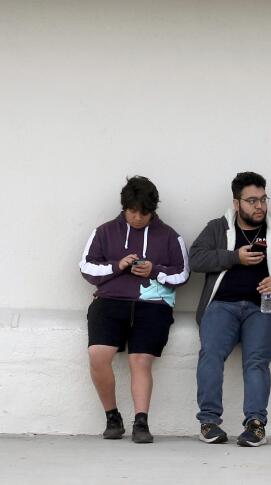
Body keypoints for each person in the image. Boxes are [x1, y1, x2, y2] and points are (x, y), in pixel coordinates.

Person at [188, 172, 271, 448]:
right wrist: (234, 257)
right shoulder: (218, 228)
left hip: (263, 308)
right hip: (222, 305)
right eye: (252, 200)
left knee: (255, 360)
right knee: (211, 354)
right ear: (236, 203)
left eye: (263, 199)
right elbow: (196, 258)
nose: (259, 206)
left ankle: (255, 425)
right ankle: (209, 422)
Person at [80, 175, 188, 445]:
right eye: (132, 211)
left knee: (139, 360)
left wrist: (156, 270)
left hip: (152, 305)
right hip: (109, 301)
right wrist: (118, 265)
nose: (137, 217)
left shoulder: (170, 236)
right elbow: (86, 268)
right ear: (124, 207)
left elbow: (183, 274)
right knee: (98, 355)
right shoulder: (104, 231)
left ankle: (141, 422)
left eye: (143, 213)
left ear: (152, 211)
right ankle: (112, 417)